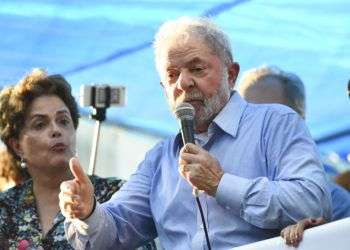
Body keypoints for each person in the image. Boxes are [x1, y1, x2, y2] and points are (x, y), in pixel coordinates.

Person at [60, 16, 331, 249]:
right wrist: (88, 213)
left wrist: (221, 183)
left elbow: (312, 203)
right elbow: (113, 232)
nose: (184, 82)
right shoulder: (159, 160)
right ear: (164, 89)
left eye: (197, 69)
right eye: (172, 75)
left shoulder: (275, 123)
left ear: (231, 74)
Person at [0, 69, 156, 249]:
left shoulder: (116, 194)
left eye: (63, 121)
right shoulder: (5, 207)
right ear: (17, 146)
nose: (56, 130)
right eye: (40, 124)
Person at [238, 65, 350, 246]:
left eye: (272, 117)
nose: (257, 128)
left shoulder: (333, 201)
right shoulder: (218, 193)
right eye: (247, 117)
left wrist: (319, 239)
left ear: (299, 121)